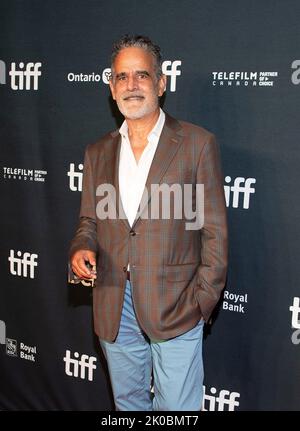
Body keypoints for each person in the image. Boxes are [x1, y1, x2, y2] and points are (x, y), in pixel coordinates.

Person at [69, 34, 228, 411]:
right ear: (111, 87)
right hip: (112, 301)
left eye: (142, 75)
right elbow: (89, 220)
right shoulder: (97, 152)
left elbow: (215, 232)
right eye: (122, 76)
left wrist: (202, 300)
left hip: (176, 304)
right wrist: (80, 247)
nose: (132, 84)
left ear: (160, 83)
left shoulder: (196, 143)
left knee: (177, 408)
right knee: (128, 405)